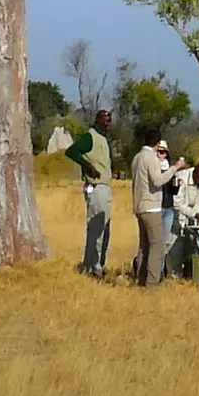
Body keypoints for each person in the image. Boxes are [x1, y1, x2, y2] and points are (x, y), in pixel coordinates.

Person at [66, 109, 117, 278]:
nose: (108, 123)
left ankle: (99, 265)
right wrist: (88, 167)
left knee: (105, 229)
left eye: (110, 120)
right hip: (96, 187)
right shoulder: (90, 136)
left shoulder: (103, 138)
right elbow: (72, 151)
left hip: (105, 186)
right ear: (98, 120)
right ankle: (91, 267)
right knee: (96, 229)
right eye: (106, 120)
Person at [129, 137, 179, 286]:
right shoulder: (149, 157)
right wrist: (175, 167)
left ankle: (142, 279)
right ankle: (152, 282)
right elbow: (157, 181)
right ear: (156, 144)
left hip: (139, 205)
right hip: (151, 207)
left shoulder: (137, 157)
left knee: (144, 246)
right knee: (157, 245)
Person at [168, 160, 199, 278]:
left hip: (191, 216)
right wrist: (193, 214)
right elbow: (177, 203)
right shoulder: (180, 178)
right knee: (176, 245)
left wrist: (196, 213)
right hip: (176, 215)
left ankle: (191, 273)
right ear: (194, 174)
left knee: (193, 243)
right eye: (198, 180)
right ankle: (174, 273)